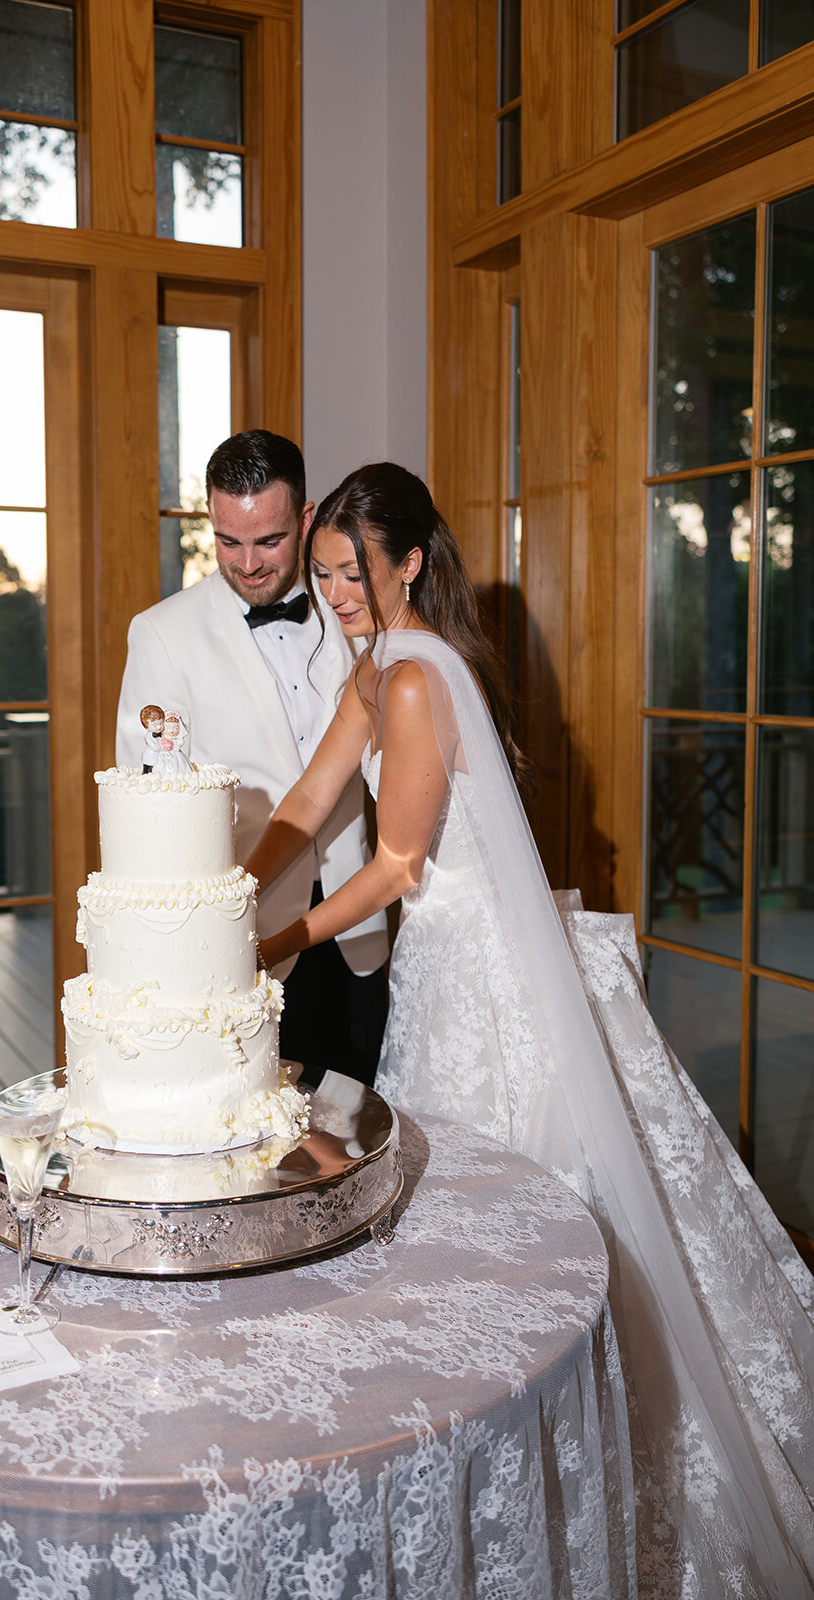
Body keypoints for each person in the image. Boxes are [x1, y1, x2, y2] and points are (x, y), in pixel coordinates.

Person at [247, 461, 814, 1598]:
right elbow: (309, 806)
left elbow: (398, 863)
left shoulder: (413, 682)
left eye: (350, 572)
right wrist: (224, 892)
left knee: (527, 1234)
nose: (335, 592)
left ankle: (570, 1474)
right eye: (321, 575)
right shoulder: (381, 667)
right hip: (444, 970)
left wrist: (272, 942)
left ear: (407, 561)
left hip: (485, 986)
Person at [116, 429, 388, 1086]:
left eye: (268, 540)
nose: (247, 563)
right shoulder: (162, 633)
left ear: (305, 518)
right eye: (227, 541)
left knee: (364, 1117)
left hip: (360, 921)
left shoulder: (358, 608)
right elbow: (146, 800)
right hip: (247, 941)